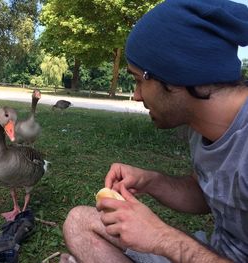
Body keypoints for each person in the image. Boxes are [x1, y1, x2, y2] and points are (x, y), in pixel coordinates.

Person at [59, 0, 248, 262]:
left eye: (138, 80)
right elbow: (205, 195)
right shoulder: (201, 125)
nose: (136, 96)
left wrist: (161, 237)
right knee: (79, 223)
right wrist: (151, 181)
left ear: (176, 76)